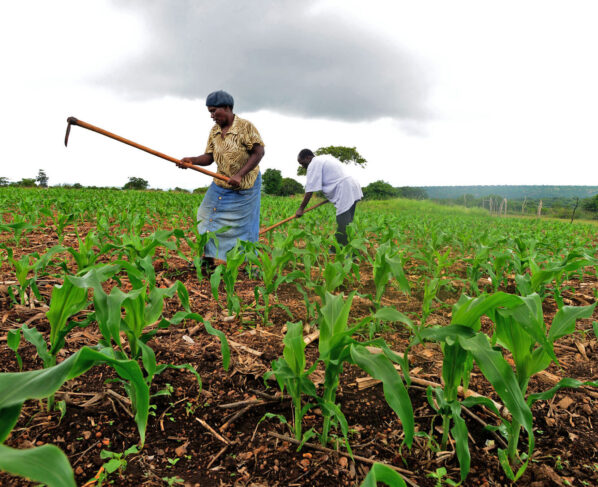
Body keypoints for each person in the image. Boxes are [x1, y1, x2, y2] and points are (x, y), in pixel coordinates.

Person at [179, 90, 265, 263]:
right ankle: (209, 257)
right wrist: (192, 161)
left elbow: (259, 152)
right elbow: (209, 157)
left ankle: (248, 262)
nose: (211, 116)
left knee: (245, 226)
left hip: (244, 187)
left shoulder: (245, 127)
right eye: (209, 112)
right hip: (220, 183)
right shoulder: (214, 131)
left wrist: (240, 175)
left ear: (227, 108)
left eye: (214, 111)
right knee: (205, 217)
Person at [295, 148, 362, 251]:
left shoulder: (314, 163)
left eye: (302, 163)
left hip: (345, 189)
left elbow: (310, 189)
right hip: (353, 185)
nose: (303, 166)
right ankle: (342, 249)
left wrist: (301, 208)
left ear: (308, 158)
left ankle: (345, 252)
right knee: (348, 223)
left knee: (343, 223)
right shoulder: (325, 157)